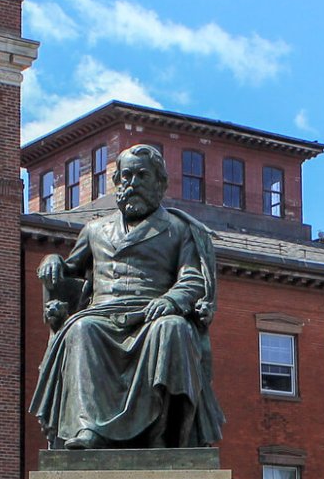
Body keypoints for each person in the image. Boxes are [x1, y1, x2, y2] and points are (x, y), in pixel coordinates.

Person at [29, 143, 224, 449]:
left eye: (142, 176)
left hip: (152, 314)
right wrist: (51, 260)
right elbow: (70, 271)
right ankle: (88, 430)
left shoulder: (177, 229)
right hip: (102, 315)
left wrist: (171, 301)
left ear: (160, 183)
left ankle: (162, 437)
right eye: (126, 176)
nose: (132, 184)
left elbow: (192, 278)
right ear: (117, 182)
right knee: (81, 330)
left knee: (173, 328)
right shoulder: (95, 230)